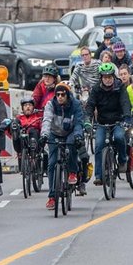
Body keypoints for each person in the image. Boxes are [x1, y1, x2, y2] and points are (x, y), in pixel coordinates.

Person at [85, 62, 131, 185]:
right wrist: (88, 120)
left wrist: (127, 117)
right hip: (102, 122)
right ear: (101, 78)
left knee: (119, 137)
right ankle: (99, 176)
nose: (108, 80)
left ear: (113, 77)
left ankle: (122, 161)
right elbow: (90, 105)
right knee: (99, 145)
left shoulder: (120, 87)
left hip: (118, 121)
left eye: (110, 77)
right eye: (105, 77)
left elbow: (125, 102)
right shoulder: (96, 89)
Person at [41, 82, 85, 210]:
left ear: (68, 95)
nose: (60, 97)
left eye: (63, 94)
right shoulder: (51, 105)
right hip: (54, 133)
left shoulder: (75, 105)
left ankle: (72, 172)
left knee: (72, 146)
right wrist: (44, 135)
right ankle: (52, 197)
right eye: (57, 94)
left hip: (70, 133)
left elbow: (78, 122)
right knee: (52, 163)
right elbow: (47, 120)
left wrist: (78, 135)